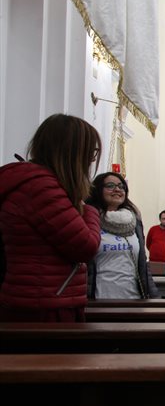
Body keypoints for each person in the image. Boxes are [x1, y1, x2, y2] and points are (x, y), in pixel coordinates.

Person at [0, 114, 101, 322]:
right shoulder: (41, 189)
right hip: (44, 306)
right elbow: (86, 246)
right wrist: (89, 210)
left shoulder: (35, 184)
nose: (91, 160)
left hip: (40, 299)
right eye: (90, 152)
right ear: (72, 152)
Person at [85, 172, 159, 299]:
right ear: (97, 190)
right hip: (99, 299)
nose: (117, 189)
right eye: (110, 185)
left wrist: (154, 296)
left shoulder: (134, 221)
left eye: (121, 186)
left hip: (133, 299)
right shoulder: (89, 219)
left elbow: (142, 263)